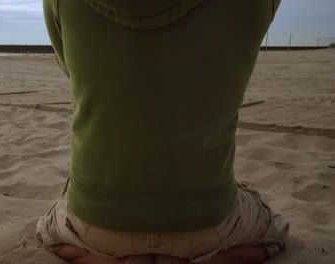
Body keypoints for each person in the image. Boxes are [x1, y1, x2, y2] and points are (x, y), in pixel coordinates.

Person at [37, 0, 289, 263]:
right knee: (274, 231)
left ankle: (107, 258)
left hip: (96, 219)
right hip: (206, 219)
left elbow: (71, 69)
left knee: (49, 231)